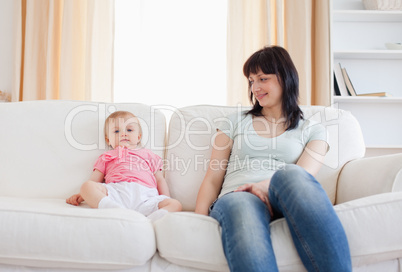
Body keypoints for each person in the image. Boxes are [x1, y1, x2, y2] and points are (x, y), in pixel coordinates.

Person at [195, 46, 351, 271]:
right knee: (243, 201)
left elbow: (305, 176)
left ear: (285, 78)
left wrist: (261, 186)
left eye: (262, 79)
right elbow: (212, 178)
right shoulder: (233, 122)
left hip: (283, 194)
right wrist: (199, 223)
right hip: (238, 195)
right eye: (250, 81)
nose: (255, 88)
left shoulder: (313, 130)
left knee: (293, 175)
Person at [66, 110, 182, 220]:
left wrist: (165, 198)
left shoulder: (148, 155)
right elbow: (94, 180)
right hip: (116, 193)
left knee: (175, 204)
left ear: (138, 137)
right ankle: (115, 211)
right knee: (86, 186)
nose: (123, 134)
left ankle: (149, 220)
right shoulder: (106, 156)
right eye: (116, 131)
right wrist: (82, 195)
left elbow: (160, 179)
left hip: (146, 195)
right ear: (108, 140)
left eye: (129, 130)